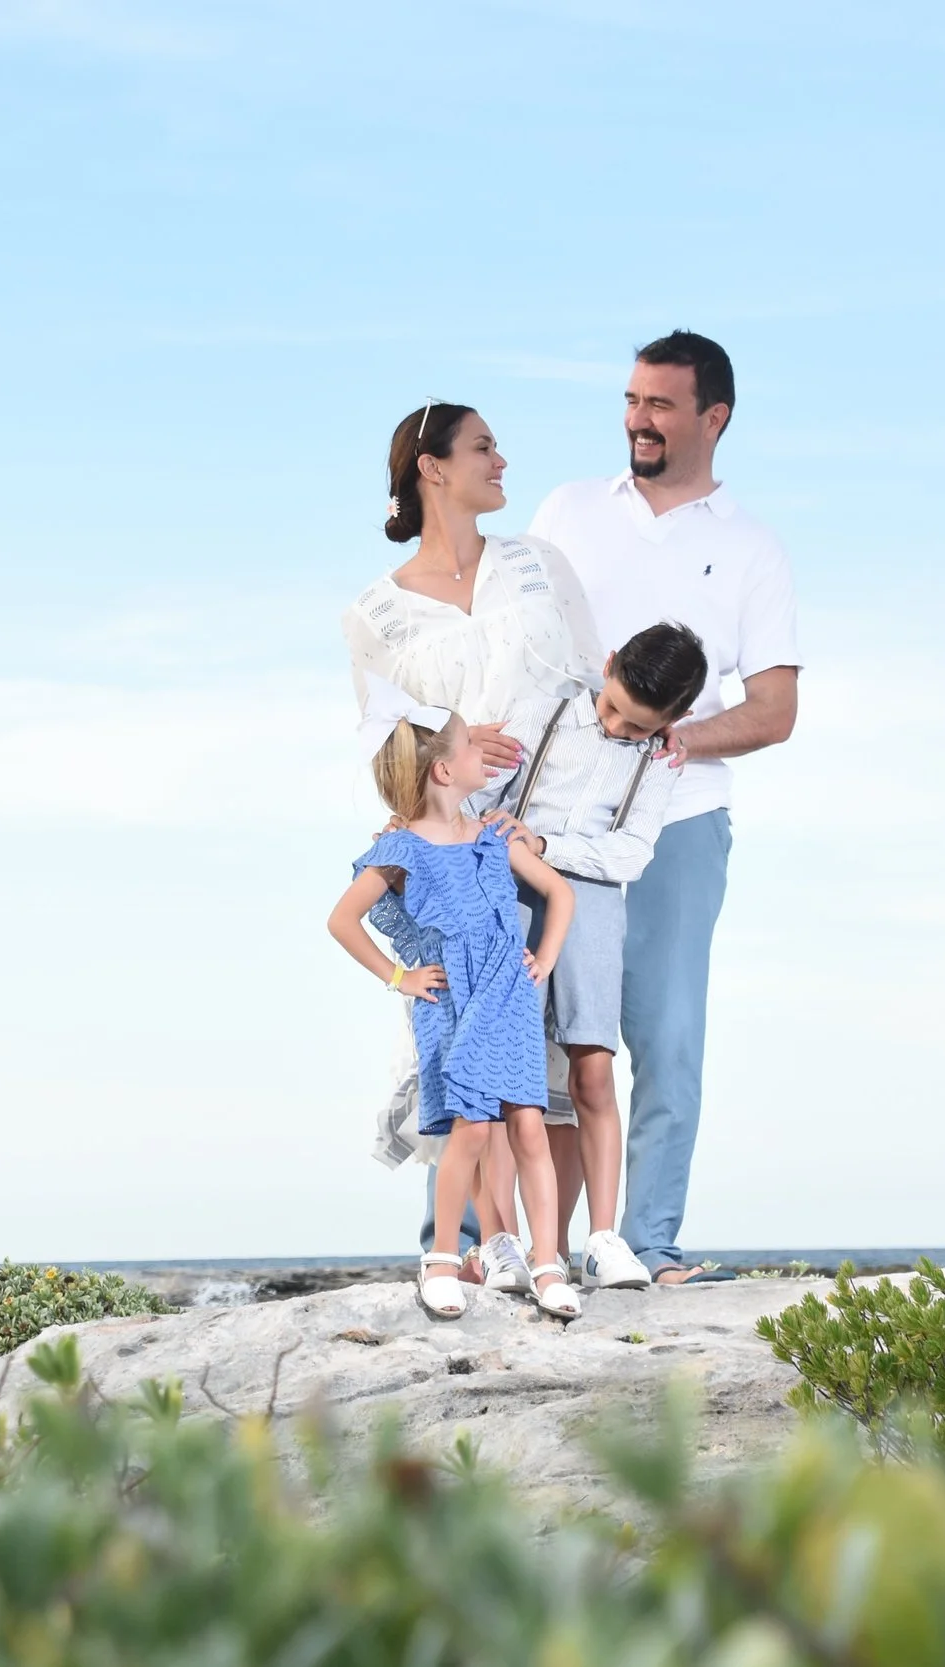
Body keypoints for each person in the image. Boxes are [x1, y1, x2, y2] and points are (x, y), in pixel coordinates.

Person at [524, 331, 801, 1284]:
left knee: (668, 1037)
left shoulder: (751, 547)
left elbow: (775, 710)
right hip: (549, 825)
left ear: (713, 418)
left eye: (661, 405)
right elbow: (517, 647)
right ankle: (501, 1245)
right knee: (526, 1023)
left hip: (679, 825)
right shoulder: (566, 510)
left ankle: (648, 1246)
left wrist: (676, 739)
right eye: (633, 400)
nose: (638, 419)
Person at [340, 401, 603, 1250]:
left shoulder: (538, 564)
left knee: (566, 1052)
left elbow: (599, 685)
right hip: (458, 848)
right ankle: (460, 1247)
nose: (502, 460)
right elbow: (384, 745)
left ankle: (562, 1252)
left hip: (554, 832)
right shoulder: (374, 614)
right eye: (484, 446)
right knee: (458, 1035)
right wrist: (449, 754)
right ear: (432, 468)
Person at [465, 622, 712, 1294]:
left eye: (635, 727)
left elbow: (631, 853)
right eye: (611, 708)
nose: (616, 726)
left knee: (593, 1073)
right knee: (499, 1081)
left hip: (594, 900)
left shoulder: (660, 762)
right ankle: (499, 1240)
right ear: (606, 667)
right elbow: (476, 800)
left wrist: (546, 846)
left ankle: (602, 1240)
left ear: (675, 720)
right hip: (506, 892)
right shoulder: (539, 712)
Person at [327, 678, 580, 1320]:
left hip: (511, 998)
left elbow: (560, 893)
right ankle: (440, 1257)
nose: (481, 753)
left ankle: (548, 1262)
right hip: (453, 1004)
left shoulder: (493, 836)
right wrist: (399, 977)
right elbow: (342, 920)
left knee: (530, 1126)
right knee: (471, 1129)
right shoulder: (399, 849)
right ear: (445, 769)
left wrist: (543, 960)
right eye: (471, 745)